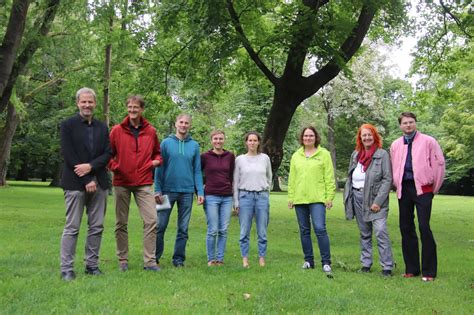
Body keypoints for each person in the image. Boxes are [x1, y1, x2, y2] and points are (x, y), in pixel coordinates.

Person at [59, 87, 111, 281]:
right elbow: (68, 154)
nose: (87, 105)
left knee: (96, 226)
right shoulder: (67, 125)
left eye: (90, 102)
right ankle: (67, 269)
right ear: (77, 103)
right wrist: (86, 178)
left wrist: (90, 168)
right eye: (83, 102)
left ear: (95, 104)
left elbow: (107, 153)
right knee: (72, 227)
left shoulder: (102, 127)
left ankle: (92, 265)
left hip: (99, 183)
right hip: (74, 183)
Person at [109, 95, 162, 272]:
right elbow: (107, 155)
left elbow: (158, 154)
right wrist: (116, 167)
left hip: (144, 182)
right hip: (121, 182)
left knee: (152, 220)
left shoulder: (151, 131)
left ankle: (149, 261)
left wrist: (155, 162)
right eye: (130, 107)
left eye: (136, 107)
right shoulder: (116, 131)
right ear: (127, 108)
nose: (132, 110)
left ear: (141, 110)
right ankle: (123, 259)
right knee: (121, 222)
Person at [390, 112, 445, 282]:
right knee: (406, 228)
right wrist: (396, 185)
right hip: (404, 189)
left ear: (415, 123)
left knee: (423, 226)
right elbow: (394, 167)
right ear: (400, 125)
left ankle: (429, 271)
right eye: (405, 123)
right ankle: (412, 269)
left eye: (411, 122)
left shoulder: (429, 141)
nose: (408, 125)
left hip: (423, 189)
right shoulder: (396, 144)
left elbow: (439, 165)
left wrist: (433, 189)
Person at [343, 124, 394, 277]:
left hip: (375, 200)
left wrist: (378, 201)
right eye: (363, 135)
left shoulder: (382, 154)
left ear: (375, 136)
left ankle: (387, 266)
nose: (366, 138)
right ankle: (366, 264)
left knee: (380, 232)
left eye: (369, 135)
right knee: (364, 233)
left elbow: (387, 179)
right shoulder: (355, 155)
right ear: (360, 138)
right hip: (357, 197)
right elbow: (350, 176)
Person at [154, 113, 204, 267]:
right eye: (181, 122)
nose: (183, 125)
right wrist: (157, 189)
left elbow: (197, 171)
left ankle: (178, 260)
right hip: (166, 191)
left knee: (183, 228)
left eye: (186, 123)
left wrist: (200, 192)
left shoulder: (194, 145)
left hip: (187, 193)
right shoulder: (166, 143)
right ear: (176, 124)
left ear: (190, 125)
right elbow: (159, 169)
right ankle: (154, 258)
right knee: (160, 226)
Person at [287, 126, 335, 277]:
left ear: (316, 138)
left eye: (311, 136)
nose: (308, 138)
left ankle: (326, 262)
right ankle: (308, 260)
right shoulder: (296, 155)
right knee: (304, 231)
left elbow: (329, 177)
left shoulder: (324, 154)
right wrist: (291, 197)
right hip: (300, 199)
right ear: (302, 138)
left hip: (318, 199)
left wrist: (329, 197)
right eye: (305, 136)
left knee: (320, 229)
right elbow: (292, 178)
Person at [233, 131, 272, 268]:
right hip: (245, 197)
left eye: (255, 140)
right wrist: (236, 201)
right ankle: (245, 258)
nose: (252, 143)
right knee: (244, 231)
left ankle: (262, 258)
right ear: (246, 142)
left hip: (261, 196)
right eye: (250, 140)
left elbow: (269, 177)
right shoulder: (240, 160)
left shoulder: (265, 158)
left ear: (259, 142)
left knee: (262, 230)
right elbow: (235, 181)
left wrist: (266, 192)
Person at [201, 130, 235, 266]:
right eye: (215, 139)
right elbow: (198, 173)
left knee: (223, 229)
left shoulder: (230, 156)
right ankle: (211, 259)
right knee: (213, 229)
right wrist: (200, 189)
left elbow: (232, 175)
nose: (218, 141)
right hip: (211, 196)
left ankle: (220, 259)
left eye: (221, 139)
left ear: (224, 140)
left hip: (227, 196)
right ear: (211, 141)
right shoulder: (205, 156)